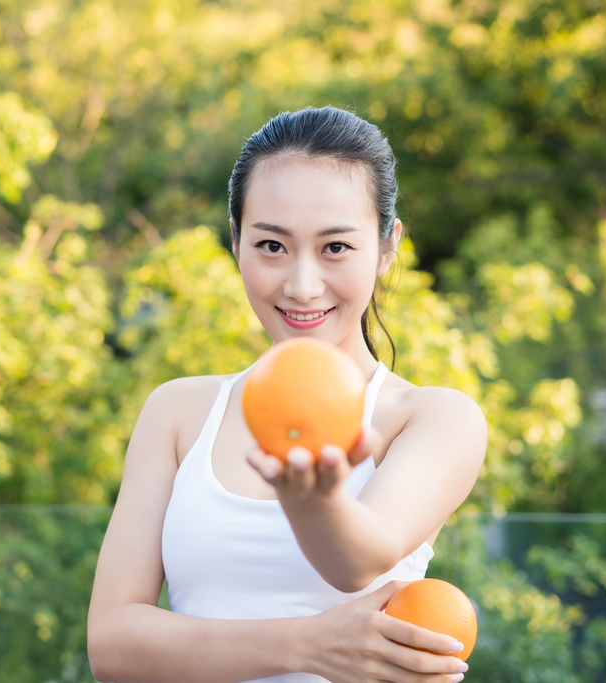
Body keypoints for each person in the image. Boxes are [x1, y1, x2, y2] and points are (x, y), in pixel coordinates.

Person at [87, 106, 487, 683]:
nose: (302, 286)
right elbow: (112, 647)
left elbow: (359, 560)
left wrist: (311, 498)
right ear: (236, 241)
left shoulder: (432, 418)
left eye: (336, 248)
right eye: (272, 246)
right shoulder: (177, 413)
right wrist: (307, 647)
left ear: (387, 247)